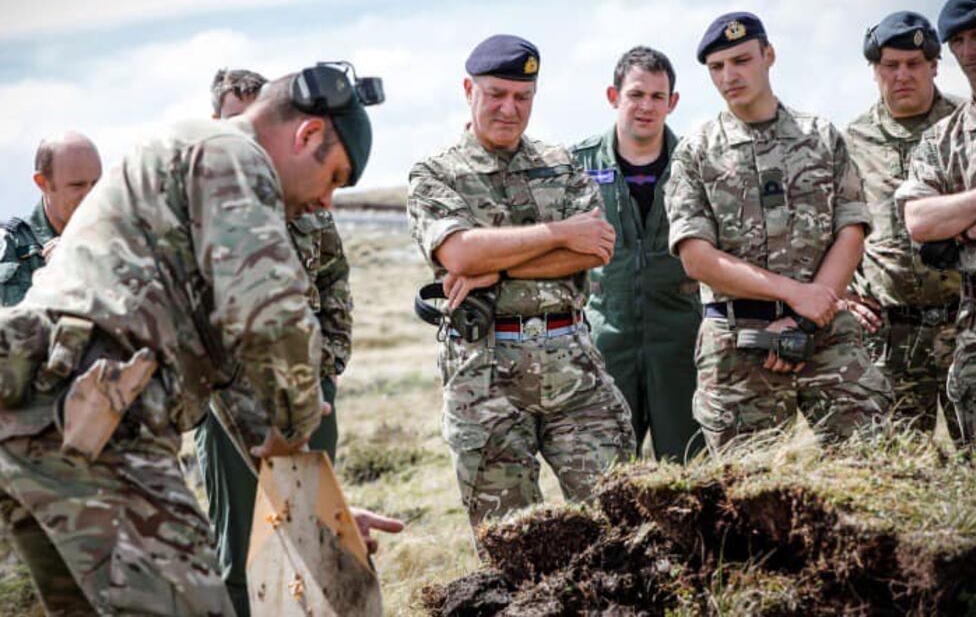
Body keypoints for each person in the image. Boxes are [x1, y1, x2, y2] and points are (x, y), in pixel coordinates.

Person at [0, 63, 401, 615]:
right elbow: (270, 316)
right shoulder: (231, 155)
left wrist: (311, 506)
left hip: (36, 413)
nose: (326, 202)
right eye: (333, 177)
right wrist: (301, 416)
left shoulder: (185, 167)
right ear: (307, 135)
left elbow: (237, 381)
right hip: (91, 413)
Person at [407, 34, 635, 541]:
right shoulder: (435, 173)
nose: (510, 109)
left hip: (573, 368)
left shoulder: (559, 163)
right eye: (496, 95)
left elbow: (595, 248)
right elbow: (460, 254)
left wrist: (499, 264)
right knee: (512, 543)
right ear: (469, 90)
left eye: (522, 97)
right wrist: (557, 234)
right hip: (484, 376)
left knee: (620, 523)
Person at [663, 12, 890, 453]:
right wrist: (793, 293)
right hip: (737, 346)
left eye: (741, 60)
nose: (730, 75)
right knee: (747, 495)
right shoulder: (696, 152)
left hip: (827, 335)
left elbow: (852, 229)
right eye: (717, 67)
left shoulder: (821, 137)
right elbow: (697, 258)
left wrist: (806, 315)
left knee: (868, 463)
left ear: (768, 56)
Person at [199, 67, 355, 615]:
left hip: (304, 391)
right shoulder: (212, 194)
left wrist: (327, 366)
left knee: (312, 538)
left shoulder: (305, 204)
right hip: (226, 405)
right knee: (240, 550)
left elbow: (334, 281)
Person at [570, 46, 702, 461]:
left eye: (657, 97)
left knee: (688, 472)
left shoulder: (696, 163)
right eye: (635, 94)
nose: (646, 106)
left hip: (680, 344)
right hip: (606, 343)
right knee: (606, 477)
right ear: (614, 97)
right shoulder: (576, 165)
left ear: (672, 103)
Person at [843, 12, 962, 439]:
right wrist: (841, 295)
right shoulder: (851, 140)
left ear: (934, 65)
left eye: (914, 63)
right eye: (890, 65)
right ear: (875, 71)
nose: (902, 75)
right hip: (891, 333)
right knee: (896, 465)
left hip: (967, 323)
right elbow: (826, 229)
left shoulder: (966, 125)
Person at [898, 0, 976, 444]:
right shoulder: (942, 140)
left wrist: (962, 218)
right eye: (960, 40)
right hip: (974, 326)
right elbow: (921, 222)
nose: (971, 50)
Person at [0, 132, 101, 306]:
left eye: (96, 184)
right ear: (43, 183)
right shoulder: (10, 246)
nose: (90, 196)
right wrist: (57, 280)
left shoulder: (117, 245)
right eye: (77, 186)